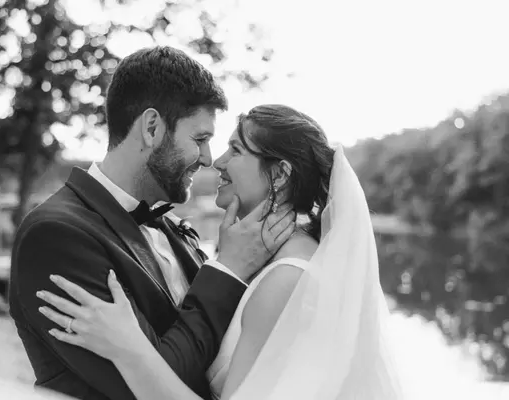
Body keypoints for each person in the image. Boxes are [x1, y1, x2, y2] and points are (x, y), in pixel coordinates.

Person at [37, 104, 406, 400]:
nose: (218, 162)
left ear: (279, 175)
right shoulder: (271, 261)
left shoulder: (287, 280)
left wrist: (129, 350)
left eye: (237, 150)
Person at [9, 48, 296, 400]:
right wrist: (228, 269)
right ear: (151, 128)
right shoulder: (55, 236)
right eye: (200, 139)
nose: (208, 159)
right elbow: (155, 380)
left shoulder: (171, 225)